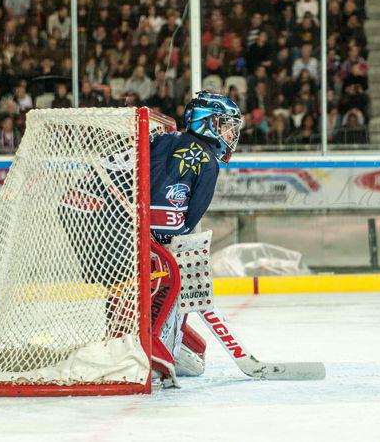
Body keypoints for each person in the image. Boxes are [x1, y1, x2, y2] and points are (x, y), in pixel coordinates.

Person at [59, 92, 243, 385]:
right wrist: (173, 243)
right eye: (224, 125)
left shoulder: (172, 141)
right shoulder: (202, 158)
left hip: (84, 212)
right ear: (206, 122)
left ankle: (134, 339)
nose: (230, 134)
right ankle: (139, 348)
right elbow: (165, 219)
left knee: (140, 280)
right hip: (102, 217)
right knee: (162, 274)